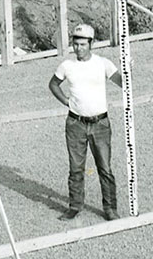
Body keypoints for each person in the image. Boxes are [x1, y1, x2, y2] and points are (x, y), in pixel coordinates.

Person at [48, 23, 122, 222]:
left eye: (82, 44)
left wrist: (128, 69)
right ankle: (75, 206)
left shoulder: (103, 63)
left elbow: (122, 82)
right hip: (75, 124)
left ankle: (110, 209)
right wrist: (65, 101)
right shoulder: (67, 66)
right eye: (76, 44)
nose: (78, 48)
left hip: (100, 124)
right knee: (76, 168)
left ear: (91, 44)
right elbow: (53, 84)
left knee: (105, 168)